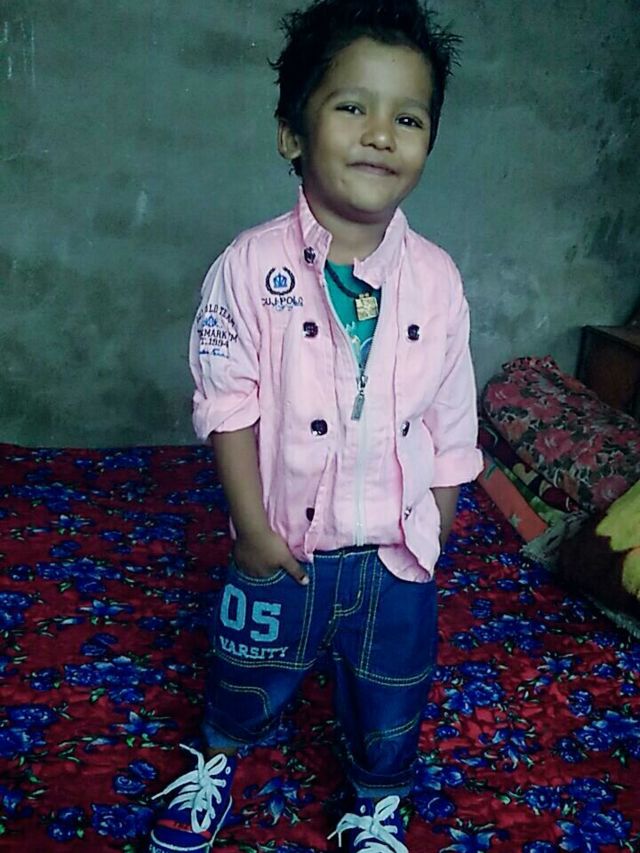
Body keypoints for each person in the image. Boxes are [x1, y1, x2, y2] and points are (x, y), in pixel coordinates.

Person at [149, 0, 482, 850]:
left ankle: (378, 799)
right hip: (284, 546)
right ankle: (216, 756)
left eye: (409, 118)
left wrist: (439, 517)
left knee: (392, 692)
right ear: (291, 134)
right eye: (352, 106)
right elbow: (228, 406)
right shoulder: (249, 267)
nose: (381, 134)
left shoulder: (437, 280)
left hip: (395, 555)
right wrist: (252, 529)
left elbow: (451, 416)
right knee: (245, 668)